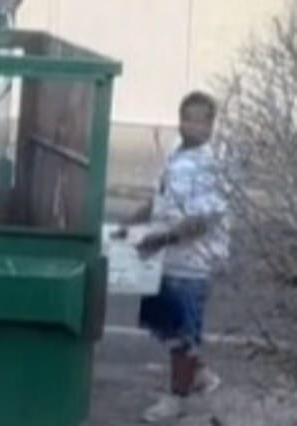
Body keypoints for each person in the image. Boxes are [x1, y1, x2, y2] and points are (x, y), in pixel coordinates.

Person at [113, 91, 230, 423]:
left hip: (193, 260)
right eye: (185, 118)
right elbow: (159, 199)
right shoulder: (175, 155)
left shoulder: (211, 165)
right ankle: (198, 374)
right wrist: (130, 224)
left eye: (198, 120)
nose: (190, 126)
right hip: (167, 257)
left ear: (210, 125)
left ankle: (177, 399)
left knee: (184, 330)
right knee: (166, 324)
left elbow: (202, 220)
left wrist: (162, 238)